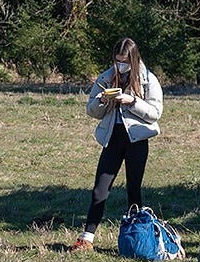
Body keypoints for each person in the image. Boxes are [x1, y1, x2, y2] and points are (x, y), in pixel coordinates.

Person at [69, 38, 164, 251]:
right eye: (118, 60)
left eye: (125, 61)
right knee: (99, 189)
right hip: (112, 138)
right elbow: (91, 110)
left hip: (137, 140)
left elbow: (155, 113)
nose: (121, 65)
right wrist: (102, 100)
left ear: (133, 59)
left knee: (134, 188)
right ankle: (87, 239)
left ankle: (136, 239)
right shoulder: (106, 77)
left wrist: (133, 102)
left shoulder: (148, 79)